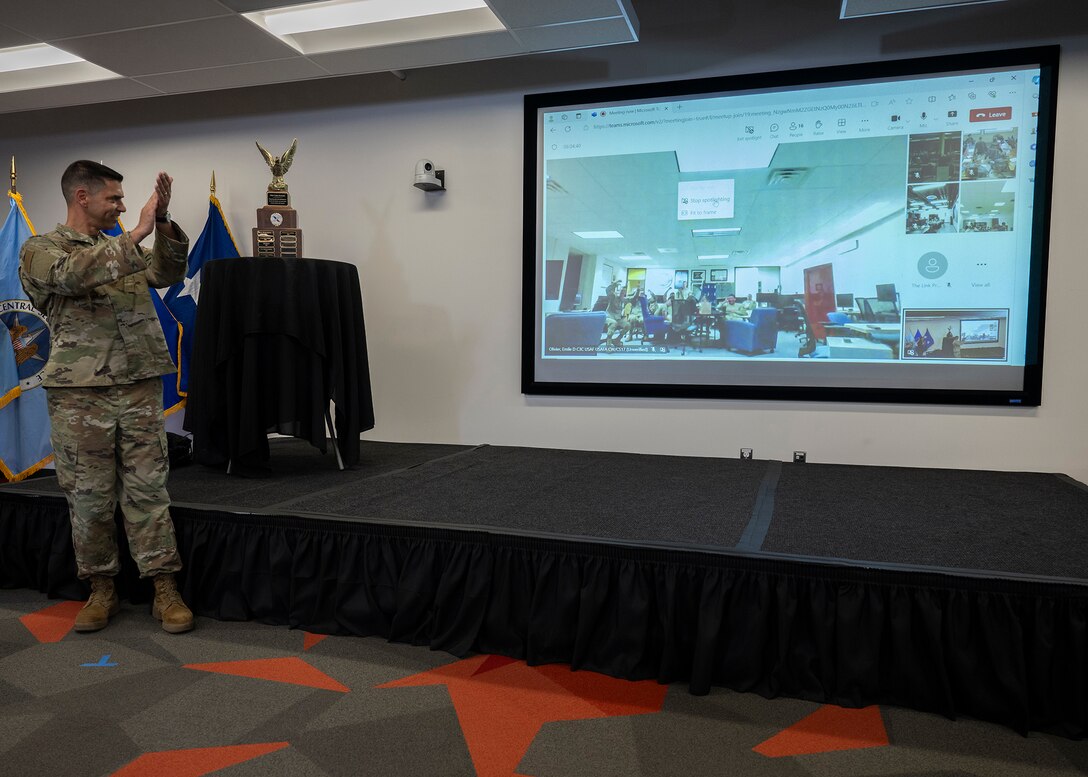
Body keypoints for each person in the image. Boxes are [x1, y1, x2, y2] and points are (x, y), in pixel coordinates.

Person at [19, 160, 194, 634]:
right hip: (81, 395)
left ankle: (164, 588)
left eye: (123, 198)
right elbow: (71, 276)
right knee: (89, 497)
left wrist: (160, 224)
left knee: (148, 491)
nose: (120, 204)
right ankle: (101, 589)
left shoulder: (121, 246)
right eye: (113, 198)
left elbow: (165, 272)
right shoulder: (42, 249)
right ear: (81, 196)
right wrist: (135, 230)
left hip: (137, 384)